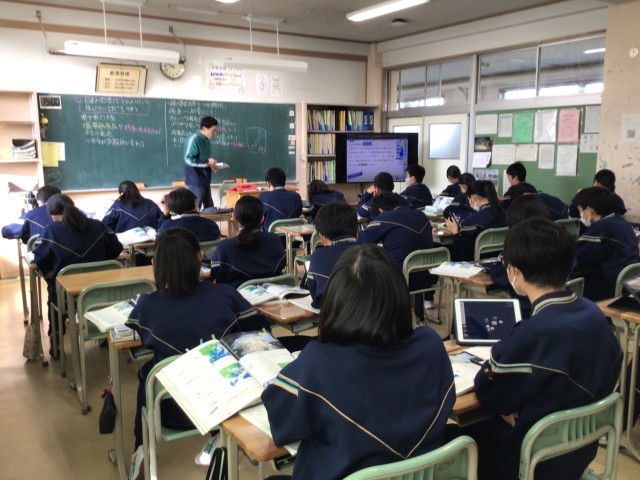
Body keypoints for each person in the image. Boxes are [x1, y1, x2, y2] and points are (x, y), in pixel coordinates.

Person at [262, 244, 455, 480]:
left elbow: (281, 423)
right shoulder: (430, 346)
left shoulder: (318, 364)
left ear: (334, 303)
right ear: (400, 296)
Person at [460, 218, 622, 480]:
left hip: (531, 459)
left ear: (514, 272)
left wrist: (512, 406)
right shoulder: (593, 313)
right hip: (577, 451)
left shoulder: (535, 332)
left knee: (455, 440)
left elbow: (490, 389)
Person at [125, 227, 265, 479]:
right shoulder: (226, 294)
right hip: (228, 402)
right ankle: (217, 435)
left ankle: (141, 447)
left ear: (155, 264)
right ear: (200, 257)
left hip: (170, 411)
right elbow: (257, 332)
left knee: (148, 372)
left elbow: (142, 343)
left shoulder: (147, 305)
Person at [33, 194, 123, 337]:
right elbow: (116, 248)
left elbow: (40, 259)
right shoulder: (98, 225)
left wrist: (50, 275)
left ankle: (56, 335)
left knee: (53, 290)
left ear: (54, 216)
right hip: (102, 291)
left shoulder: (50, 230)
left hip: (65, 297)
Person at [358, 192, 436, 315]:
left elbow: (361, 241)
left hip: (398, 280)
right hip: (428, 279)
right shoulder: (421, 215)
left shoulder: (386, 217)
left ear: (380, 210)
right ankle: (418, 316)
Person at [488, 194, 549, 319]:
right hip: (552, 310)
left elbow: (502, 276)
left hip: (526, 312)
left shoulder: (519, 248)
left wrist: (494, 269)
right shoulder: (554, 241)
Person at [572, 187, 638, 301]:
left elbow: (577, 258)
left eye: (580, 210)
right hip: (627, 285)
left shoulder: (601, 228)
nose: (580, 215)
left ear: (589, 210)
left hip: (606, 288)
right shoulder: (622, 222)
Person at [210, 196, 286, 288]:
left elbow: (215, 279)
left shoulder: (224, 248)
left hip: (237, 296)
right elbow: (282, 265)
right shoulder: (275, 241)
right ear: (262, 218)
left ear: (234, 217)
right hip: (273, 294)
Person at [306, 202, 358, 308]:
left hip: (342, 316)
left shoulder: (319, 257)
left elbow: (316, 297)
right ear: (357, 233)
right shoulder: (378, 253)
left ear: (322, 237)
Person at [444, 180, 506, 262]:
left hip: (476, 263)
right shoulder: (506, 215)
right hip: (501, 261)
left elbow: (461, 253)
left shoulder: (471, 222)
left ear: (473, 197)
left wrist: (455, 232)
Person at [183, 116, 222, 210]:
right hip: (195, 181)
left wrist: (212, 166)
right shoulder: (193, 139)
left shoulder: (206, 141)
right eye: (213, 130)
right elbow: (188, 160)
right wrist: (207, 162)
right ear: (204, 128)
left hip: (205, 179)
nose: (215, 134)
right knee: (195, 209)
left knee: (210, 209)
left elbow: (205, 160)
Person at [259, 167, 303, 232]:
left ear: (269, 183)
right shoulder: (296, 196)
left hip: (271, 236)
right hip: (293, 236)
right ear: (284, 182)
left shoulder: (263, 197)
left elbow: (259, 219)